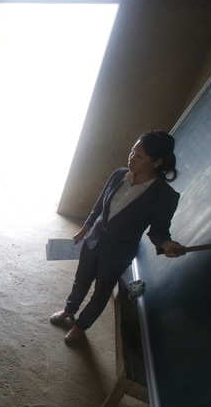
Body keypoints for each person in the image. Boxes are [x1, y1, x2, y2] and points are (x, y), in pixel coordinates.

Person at [50, 131, 186, 344]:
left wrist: (166, 244)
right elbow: (98, 206)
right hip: (93, 240)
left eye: (140, 156)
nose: (132, 157)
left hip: (118, 253)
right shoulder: (118, 174)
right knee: (81, 280)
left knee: (101, 292)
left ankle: (80, 326)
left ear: (157, 162)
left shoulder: (165, 196)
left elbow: (159, 231)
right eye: (133, 151)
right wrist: (84, 229)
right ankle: (69, 310)